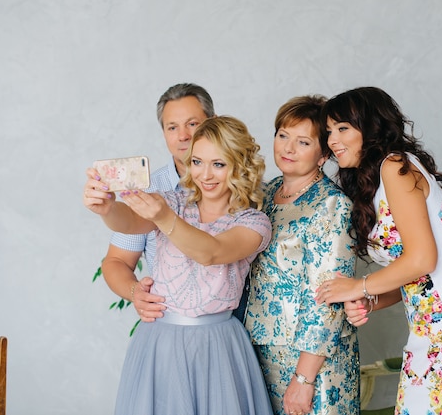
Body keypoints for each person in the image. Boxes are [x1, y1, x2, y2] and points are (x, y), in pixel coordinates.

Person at [315, 87, 442, 415]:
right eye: (328, 132)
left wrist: (359, 286)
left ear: (371, 127)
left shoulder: (395, 166)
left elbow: (424, 259)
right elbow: (415, 277)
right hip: (429, 322)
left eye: (342, 128)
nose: (333, 140)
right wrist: (370, 300)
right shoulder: (378, 181)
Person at [83, 116, 274, 415]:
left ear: (240, 165)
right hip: (160, 342)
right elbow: (130, 222)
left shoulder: (253, 222)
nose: (205, 174)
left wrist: (163, 218)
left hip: (219, 346)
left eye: (219, 164)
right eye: (197, 162)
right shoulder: (173, 202)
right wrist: (108, 209)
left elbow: (211, 252)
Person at [244, 95, 360, 415]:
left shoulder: (332, 205)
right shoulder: (265, 194)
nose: (288, 148)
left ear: (323, 153)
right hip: (261, 350)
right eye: (283, 135)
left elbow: (329, 299)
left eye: (303, 141)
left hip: (311, 362)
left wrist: (304, 378)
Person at [100, 83, 215, 322]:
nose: (183, 135)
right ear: (164, 133)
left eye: (192, 124)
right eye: (172, 127)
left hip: (232, 326)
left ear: (214, 124)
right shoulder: (150, 190)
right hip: (169, 324)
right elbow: (116, 261)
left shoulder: (245, 188)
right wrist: (136, 292)